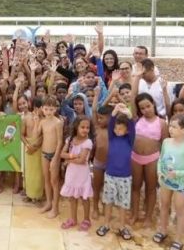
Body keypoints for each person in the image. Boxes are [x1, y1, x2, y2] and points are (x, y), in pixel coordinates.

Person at [155, 114, 184, 250]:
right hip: (165, 181)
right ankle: (162, 230)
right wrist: (159, 171)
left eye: (174, 127)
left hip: (179, 184)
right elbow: (161, 158)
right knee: (164, 206)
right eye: (170, 126)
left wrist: (179, 173)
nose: (170, 129)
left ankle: (179, 239)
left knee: (180, 211)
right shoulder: (166, 142)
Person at [97, 104, 135, 239]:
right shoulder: (112, 138)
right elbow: (111, 124)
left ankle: (122, 226)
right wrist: (114, 112)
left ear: (126, 130)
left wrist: (129, 116)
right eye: (116, 128)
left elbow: (132, 128)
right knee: (108, 201)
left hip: (125, 177)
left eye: (121, 129)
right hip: (110, 175)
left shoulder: (129, 140)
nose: (117, 131)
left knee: (123, 203)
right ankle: (106, 224)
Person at [131, 92, 168, 228]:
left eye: (148, 106)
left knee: (151, 188)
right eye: (142, 108)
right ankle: (135, 214)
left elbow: (165, 144)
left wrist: (164, 163)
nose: (146, 110)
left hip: (153, 158)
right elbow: (131, 99)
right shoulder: (136, 119)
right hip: (135, 157)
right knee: (135, 187)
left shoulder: (162, 123)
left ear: (153, 104)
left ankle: (148, 216)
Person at [59, 116, 94, 230]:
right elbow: (62, 154)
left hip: (82, 174)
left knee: (84, 198)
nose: (85, 130)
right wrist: (73, 155)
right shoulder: (70, 140)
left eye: (88, 128)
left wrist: (68, 161)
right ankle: (73, 219)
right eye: (82, 127)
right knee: (72, 197)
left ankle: (87, 219)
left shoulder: (88, 142)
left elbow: (82, 160)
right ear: (76, 127)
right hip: (72, 173)